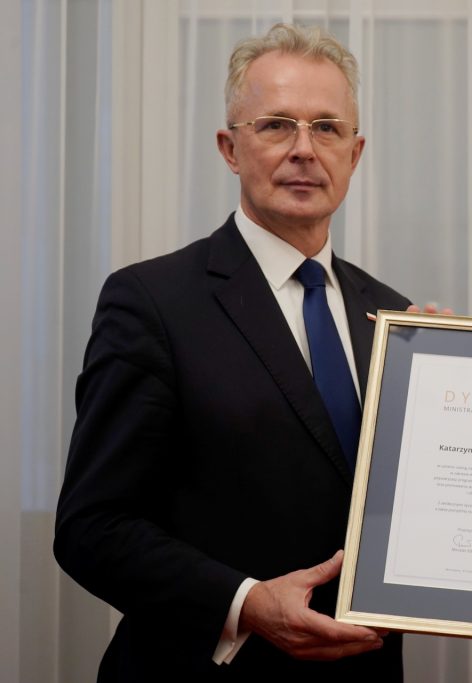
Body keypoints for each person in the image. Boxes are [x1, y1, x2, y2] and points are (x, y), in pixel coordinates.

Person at [54, 23, 427, 681]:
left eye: (328, 128)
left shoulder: (395, 317)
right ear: (230, 147)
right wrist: (246, 603)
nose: (305, 150)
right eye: (277, 125)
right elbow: (92, 526)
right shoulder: (152, 301)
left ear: (356, 152)